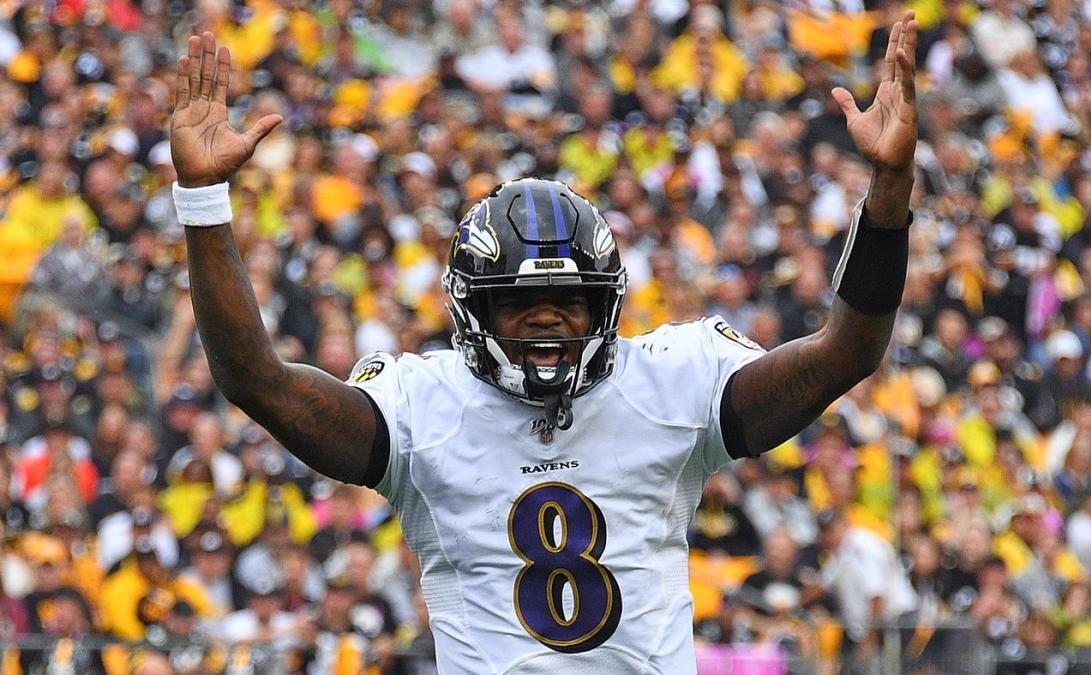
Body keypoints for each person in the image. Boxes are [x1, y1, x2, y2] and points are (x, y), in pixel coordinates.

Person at [168, 12, 919, 670]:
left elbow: (845, 351)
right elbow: (256, 381)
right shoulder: (424, 407)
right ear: (472, 310)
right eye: (520, 304)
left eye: (568, 301)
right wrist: (203, 204)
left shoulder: (672, 380)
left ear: (606, 304)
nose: (548, 321)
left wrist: (887, 196)